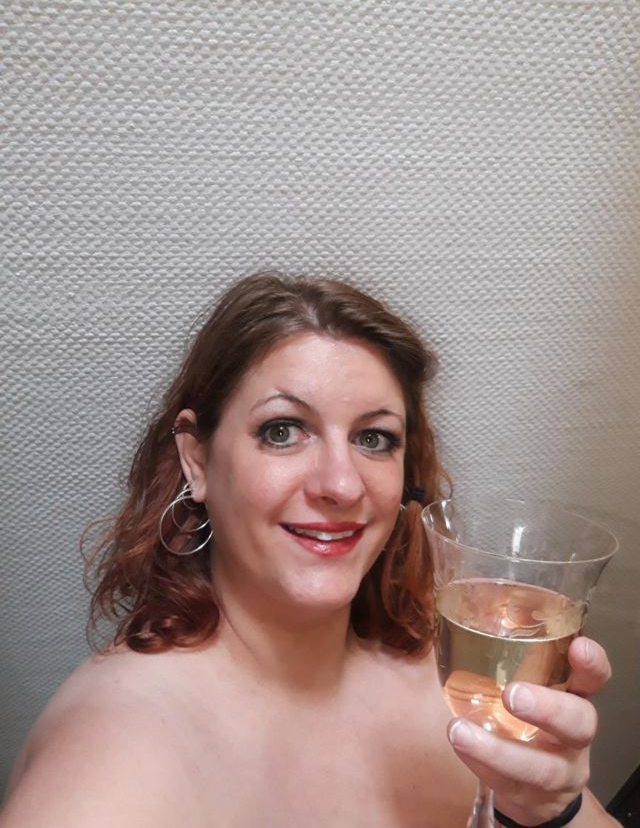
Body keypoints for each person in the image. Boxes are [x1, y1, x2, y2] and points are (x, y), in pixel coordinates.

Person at [1, 273, 618, 827]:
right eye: (282, 431)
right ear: (197, 461)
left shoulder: (451, 674)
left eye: (374, 438)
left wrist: (550, 813)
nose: (342, 485)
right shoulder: (118, 750)